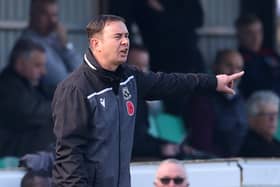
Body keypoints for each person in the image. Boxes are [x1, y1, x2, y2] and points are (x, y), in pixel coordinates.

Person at [52, 14, 244, 186]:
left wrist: (212, 82)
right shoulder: (75, 89)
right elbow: (69, 156)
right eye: (117, 37)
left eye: (127, 36)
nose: (125, 42)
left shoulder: (129, 78)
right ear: (96, 44)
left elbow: (169, 83)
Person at [186, 49, 248, 157]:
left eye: (239, 68)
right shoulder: (203, 99)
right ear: (215, 66)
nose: (234, 71)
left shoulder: (240, 98)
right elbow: (202, 144)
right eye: (229, 65)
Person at [0, 39, 54, 157]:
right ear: (20, 64)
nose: (43, 71)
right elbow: (31, 113)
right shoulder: (8, 86)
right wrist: (61, 106)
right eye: (37, 65)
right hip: (12, 150)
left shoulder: (31, 82)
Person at [18, 0, 80, 97]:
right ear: (33, 15)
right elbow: (59, 81)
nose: (52, 21)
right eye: (45, 14)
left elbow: (81, 70)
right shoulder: (30, 43)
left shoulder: (55, 39)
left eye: (54, 15)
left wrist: (66, 45)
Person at [235, 14, 280, 98]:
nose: (256, 37)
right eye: (249, 33)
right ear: (239, 35)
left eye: (259, 32)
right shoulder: (236, 61)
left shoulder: (271, 54)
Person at [239, 90, 280, 157]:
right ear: (252, 118)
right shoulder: (246, 147)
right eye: (268, 114)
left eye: (275, 114)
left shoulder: (276, 144)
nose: (273, 119)